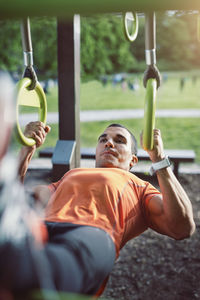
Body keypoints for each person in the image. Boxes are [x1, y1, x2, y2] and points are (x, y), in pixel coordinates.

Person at [0, 119, 196, 298]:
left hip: (90, 234)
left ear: (133, 160)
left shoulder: (139, 187)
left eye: (119, 140)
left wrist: (159, 159)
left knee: (35, 274)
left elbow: (182, 227)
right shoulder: (72, 175)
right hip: (44, 226)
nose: (109, 143)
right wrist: (26, 150)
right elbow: (17, 198)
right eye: (103, 139)